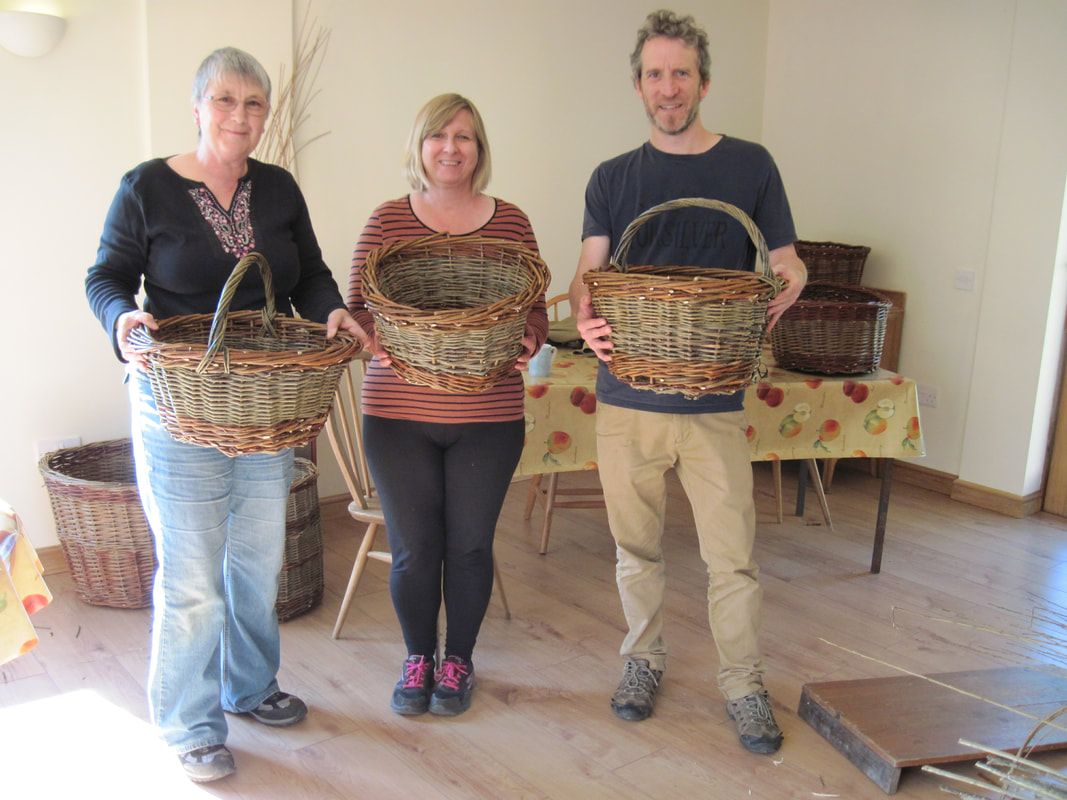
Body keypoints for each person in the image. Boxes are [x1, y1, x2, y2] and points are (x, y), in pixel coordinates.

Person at [85, 47, 367, 783]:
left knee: (254, 562)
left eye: (254, 104)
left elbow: (307, 273)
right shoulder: (145, 187)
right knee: (190, 578)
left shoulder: (276, 188)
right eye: (225, 101)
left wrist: (332, 312)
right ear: (198, 105)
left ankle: (250, 686)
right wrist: (122, 321)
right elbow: (107, 277)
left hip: (263, 402)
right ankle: (189, 723)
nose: (240, 117)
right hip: (180, 402)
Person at [569, 10, 806, 754]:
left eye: (679, 73)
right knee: (633, 549)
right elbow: (588, 275)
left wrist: (785, 284)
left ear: (703, 81)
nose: (666, 88)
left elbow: (787, 259)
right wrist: (586, 315)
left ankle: (742, 684)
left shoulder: (751, 166)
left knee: (729, 556)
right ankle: (642, 661)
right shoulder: (612, 177)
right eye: (653, 75)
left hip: (714, 401)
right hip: (626, 398)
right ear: (637, 86)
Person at [348, 93, 548, 717]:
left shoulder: (511, 222)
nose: (451, 148)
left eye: (464, 137)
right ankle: (417, 657)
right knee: (414, 548)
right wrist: (373, 340)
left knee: (469, 547)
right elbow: (356, 307)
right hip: (396, 417)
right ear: (420, 145)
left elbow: (535, 307)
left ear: (479, 149)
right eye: (439, 136)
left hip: (487, 419)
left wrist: (530, 338)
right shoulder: (386, 221)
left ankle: (457, 659)